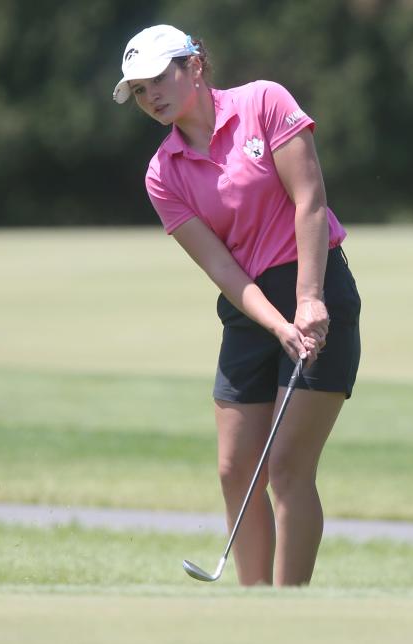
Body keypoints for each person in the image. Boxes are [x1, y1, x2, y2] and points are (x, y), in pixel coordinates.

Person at [112, 25, 361, 586]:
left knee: (287, 468)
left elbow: (310, 200)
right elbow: (222, 267)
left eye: (159, 79)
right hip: (249, 312)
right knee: (234, 470)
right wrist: (277, 324)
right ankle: (252, 613)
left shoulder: (264, 102)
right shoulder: (163, 173)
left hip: (317, 287)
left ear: (194, 65)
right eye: (139, 90)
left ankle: (285, 612)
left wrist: (309, 299)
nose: (151, 96)